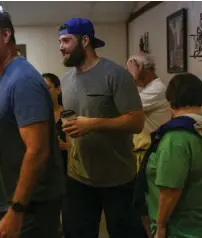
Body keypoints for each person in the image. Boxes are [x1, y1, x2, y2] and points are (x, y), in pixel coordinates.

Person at [0, 9, 65, 238]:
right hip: (14, 202)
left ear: (5, 36)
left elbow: (38, 151)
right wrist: (1, 200)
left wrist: (16, 210)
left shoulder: (23, 80)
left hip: (32, 207)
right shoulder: (2, 77)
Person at [58, 17, 145, 238]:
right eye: (60, 42)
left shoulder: (116, 75)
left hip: (118, 179)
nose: (61, 47)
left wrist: (94, 124)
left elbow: (136, 122)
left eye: (66, 40)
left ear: (85, 40)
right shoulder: (66, 80)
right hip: (78, 178)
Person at [138, 73, 202, 238]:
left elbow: (171, 188)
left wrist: (160, 226)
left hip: (185, 229)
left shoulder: (176, 138)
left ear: (171, 100)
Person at [127, 52, 171, 166]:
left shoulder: (158, 89)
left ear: (141, 68)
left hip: (150, 151)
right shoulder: (147, 88)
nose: (128, 74)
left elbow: (127, 106)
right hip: (144, 149)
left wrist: (133, 78)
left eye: (130, 70)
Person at [42, 73, 71, 174]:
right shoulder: (39, 116)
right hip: (45, 171)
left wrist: (66, 146)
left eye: (47, 88)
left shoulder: (68, 114)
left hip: (66, 169)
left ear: (58, 90)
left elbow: (78, 148)